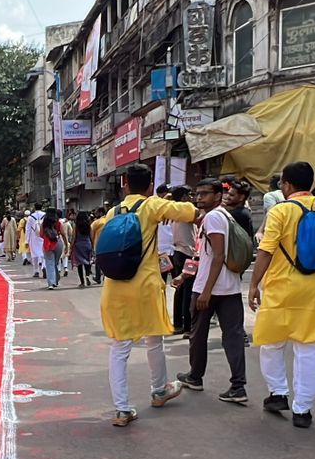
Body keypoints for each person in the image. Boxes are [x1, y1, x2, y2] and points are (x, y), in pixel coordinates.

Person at [247, 161, 315, 428]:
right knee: (313, 349)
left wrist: (253, 285)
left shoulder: (280, 211)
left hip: (280, 290)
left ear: (286, 185)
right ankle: (303, 410)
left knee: (271, 343)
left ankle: (278, 393)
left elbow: (266, 250)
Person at [93, 165, 199, 427]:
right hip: (146, 287)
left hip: (116, 287)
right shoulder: (153, 205)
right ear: (150, 185)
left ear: (124, 184)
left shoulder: (113, 211)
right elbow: (191, 212)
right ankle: (160, 389)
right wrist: (170, 204)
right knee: (154, 340)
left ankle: (122, 409)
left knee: (120, 347)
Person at [178, 179, 247, 402]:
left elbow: (218, 256)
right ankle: (238, 386)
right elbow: (204, 255)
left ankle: (196, 377)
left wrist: (206, 291)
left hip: (211, 287)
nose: (199, 198)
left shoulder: (214, 217)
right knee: (233, 336)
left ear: (218, 196)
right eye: (197, 194)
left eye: (205, 194)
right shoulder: (224, 215)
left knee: (198, 335)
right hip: (229, 287)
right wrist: (185, 275)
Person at [169, 185, 197, 334]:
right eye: (189, 195)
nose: (192, 198)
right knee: (188, 290)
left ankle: (178, 324)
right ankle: (187, 327)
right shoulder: (185, 210)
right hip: (187, 253)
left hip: (178, 252)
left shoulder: (174, 210)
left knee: (180, 290)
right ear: (183, 197)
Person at [42, 208, 67, 289]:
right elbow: (63, 234)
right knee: (55, 262)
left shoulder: (44, 223)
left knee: (50, 263)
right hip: (58, 243)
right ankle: (55, 279)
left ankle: (51, 283)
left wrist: (47, 236)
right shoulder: (58, 223)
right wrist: (66, 245)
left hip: (47, 243)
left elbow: (40, 234)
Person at [73, 210, 96, 287]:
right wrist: (92, 247)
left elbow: (74, 237)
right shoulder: (89, 226)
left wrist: (71, 246)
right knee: (87, 262)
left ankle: (82, 282)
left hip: (79, 245)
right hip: (87, 244)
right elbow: (91, 237)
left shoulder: (76, 226)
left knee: (79, 264)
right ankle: (87, 276)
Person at [27, 205, 46, 277]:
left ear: (34, 208)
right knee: (44, 252)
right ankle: (44, 266)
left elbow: (28, 229)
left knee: (34, 254)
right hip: (43, 235)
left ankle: (36, 271)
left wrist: (27, 240)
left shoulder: (30, 217)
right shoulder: (45, 215)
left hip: (33, 236)